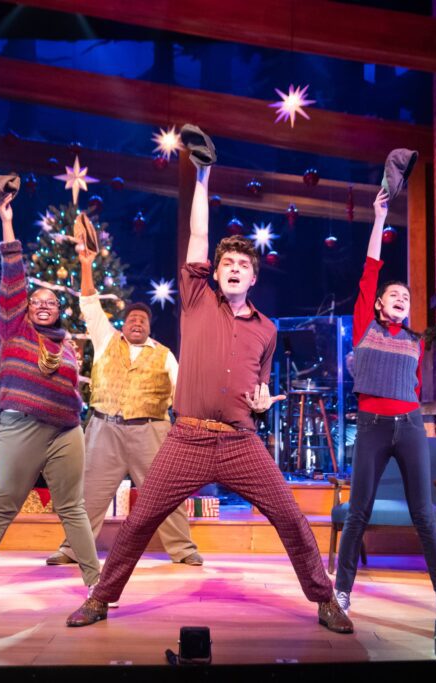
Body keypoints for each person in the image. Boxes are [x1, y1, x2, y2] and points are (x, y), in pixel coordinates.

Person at [65, 130, 353, 633]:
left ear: (254, 278)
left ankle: (325, 599)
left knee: (290, 517)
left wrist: (260, 403)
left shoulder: (266, 329)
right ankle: (101, 598)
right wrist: (203, 174)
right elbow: (198, 238)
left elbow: (257, 388)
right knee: (140, 520)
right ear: (215, 274)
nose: (234, 268)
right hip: (187, 438)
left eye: (243, 265)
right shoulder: (198, 300)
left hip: (240, 442)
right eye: (227, 264)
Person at [0, 190, 100, 607]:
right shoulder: (15, 329)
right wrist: (7, 222)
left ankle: (98, 585)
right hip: (22, 426)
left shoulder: (65, 345)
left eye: (52, 302)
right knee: (2, 507)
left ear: (59, 312)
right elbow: (12, 278)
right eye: (36, 301)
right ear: (25, 309)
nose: (43, 305)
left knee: (73, 508)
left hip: (66, 431)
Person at [333, 189, 436, 618]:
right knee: (358, 512)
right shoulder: (364, 327)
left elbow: (415, 388)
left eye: (406, 296)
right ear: (379, 303)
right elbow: (371, 269)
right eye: (394, 295)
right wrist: (379, 217)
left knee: (424, 511)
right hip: (372, 426)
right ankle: (342, 591)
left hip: (410, 426)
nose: (402, 298)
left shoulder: (414, 341)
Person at [45, 245, 202, 568]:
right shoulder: (106, 340)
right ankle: (73, 549)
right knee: (89, 492)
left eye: (143, 320)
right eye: (132, 319)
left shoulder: (164, 355)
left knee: (165, 491)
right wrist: (86, 264)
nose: (137, 323)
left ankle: (183, 549)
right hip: (105, 429)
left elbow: (183, 395)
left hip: (151, 432)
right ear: (123, 324)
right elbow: (89, 303)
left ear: (149, 327)